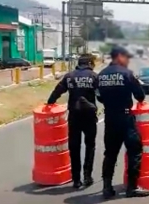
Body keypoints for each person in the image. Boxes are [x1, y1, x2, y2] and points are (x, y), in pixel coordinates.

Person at [97, 46, 149, 199]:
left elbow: (99, 97)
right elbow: (140, 96)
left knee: (110, 154)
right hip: (126, 119)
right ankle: (132, 188)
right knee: (135, 150)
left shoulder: (101, 75)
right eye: (126, 57)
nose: (127, 60)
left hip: (110, 119)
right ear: (119, 56)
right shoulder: (127, 74)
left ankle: (107, 188)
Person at [47, 54, 98, 189]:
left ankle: (76, 179)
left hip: (74, 116)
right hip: (89, 116)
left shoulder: (69, 76)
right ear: (90, 63)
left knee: (74, 147)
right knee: (90, 146)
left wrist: (50, 103)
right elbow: (102, 95)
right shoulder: (94, 76)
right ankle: (87, 176)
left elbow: (58, 91)